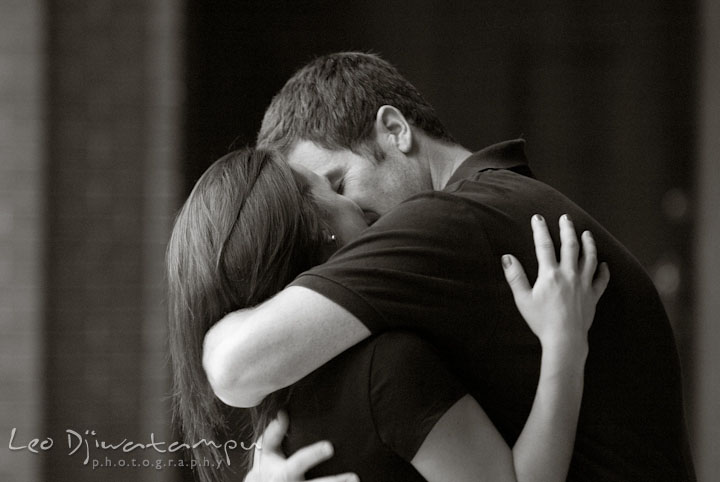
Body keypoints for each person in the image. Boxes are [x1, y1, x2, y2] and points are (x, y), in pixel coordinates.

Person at [203, 52, 696, 481]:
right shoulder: (501, 205)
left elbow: (233, 369)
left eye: (337, 183)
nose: (341, 216)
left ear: (394, 130)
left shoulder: (448, 221)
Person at [167, 147, 608, 482]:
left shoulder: (278, 405)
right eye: (332, 186)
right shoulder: (386, 368)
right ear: (319, 225)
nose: (355, 201)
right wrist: (564, 343)